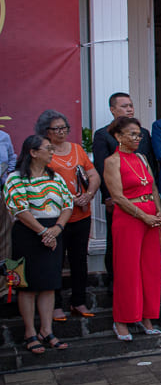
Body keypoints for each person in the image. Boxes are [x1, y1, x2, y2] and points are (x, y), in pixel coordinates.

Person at [3, 135, 73, 354]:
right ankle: (30, 332)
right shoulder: (15, 178)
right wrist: (43, 232)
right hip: (26, 234)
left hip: (54, 231)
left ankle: (46, 330)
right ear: (33, 152)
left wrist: (57, 229)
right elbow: (20, 210)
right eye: (48, 149)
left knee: (49, 283)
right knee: (27, 286)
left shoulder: (56, 177)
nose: (52, 152)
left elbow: (68, 204)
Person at [103, 117, 161, 341]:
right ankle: (122, 320)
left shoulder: (141, 157)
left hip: (150, 217)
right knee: (127, 269)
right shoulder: (112, 161)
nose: (137, 138)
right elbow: (117, 196)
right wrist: (143, 216)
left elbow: (154, 187)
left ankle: (146, 316)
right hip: (130, 217)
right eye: (132, 134)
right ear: (119, 136)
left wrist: (159, 213)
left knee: (150, 268)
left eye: (139, 134)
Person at [36, 110, 100, 321]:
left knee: (79, 259)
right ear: (46, 131)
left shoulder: (77, 149)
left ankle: (78, 301)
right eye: (57, 129)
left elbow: (92, 174)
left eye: (65, 128)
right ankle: (55, 305)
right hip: (55, 218)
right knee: (54, 261)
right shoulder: (43, 151)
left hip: (81, 215)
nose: (62, 132)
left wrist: (89, 194)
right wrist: (67, 199)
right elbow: (39, 184)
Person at [92, 92, 156, 281]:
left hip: (145, 198)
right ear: (112, 110)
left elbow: (151, 164)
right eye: (124, 106)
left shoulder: (143, 133)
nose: (129, 109)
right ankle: (115, 283)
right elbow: (101, 167)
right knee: (118, 245)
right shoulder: (103, 135)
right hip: (120, 197)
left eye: (131, 105)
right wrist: (108, 196)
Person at [0, 129, 16, 263]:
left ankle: (4, 283)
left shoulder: (4, 137)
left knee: (5, 238)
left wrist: (6, 177)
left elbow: (12, 159)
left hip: (2, 192)